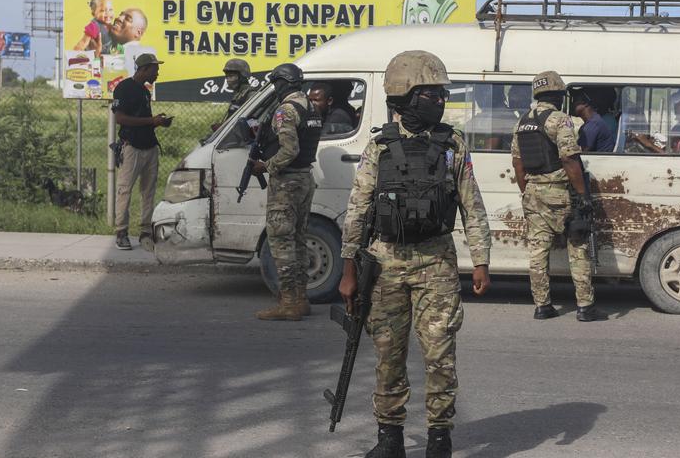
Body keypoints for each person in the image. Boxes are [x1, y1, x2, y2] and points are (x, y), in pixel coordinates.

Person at [338, 50, 491, 458]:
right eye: (430, 93)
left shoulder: (452, 144)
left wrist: (481, 261)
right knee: (389, 356)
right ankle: (390, 440)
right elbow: (357, 209)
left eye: (441, 93)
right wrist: (348, 269)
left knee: (440, 355)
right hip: (385, 266)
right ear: (404, 95)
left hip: (436, 264)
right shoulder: (380, 148)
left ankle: (439, 440)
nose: (439, 100)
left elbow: (471, 205)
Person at [511, 71, 605, 322]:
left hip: (532, 193)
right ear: (558, 96)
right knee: (578, 247)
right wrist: (583, 196)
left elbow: (518, 164)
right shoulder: (560, 120)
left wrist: (529, 192)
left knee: (538, 252)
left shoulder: (522, 122)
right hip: (560, 193)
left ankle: (542, 306)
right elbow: (569, 158)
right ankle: (585, 306)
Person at [252, 63, 323, 321]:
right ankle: (301, 299)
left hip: (287, 182)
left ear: (282, 83)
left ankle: (289, 303)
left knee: (281, 241)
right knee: (299, 240)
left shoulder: (286, 110)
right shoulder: (311, 106)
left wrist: (265, 165)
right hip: (305, 177)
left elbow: (289, 150)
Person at [111, 53, 172, 250]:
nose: (158, 73)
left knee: (148, 191)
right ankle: (121, 232)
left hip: (149, 146)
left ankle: (145, 232)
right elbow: (120, 118)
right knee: (124, 190)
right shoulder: (124, 88)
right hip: (132, 147)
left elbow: (143, 121)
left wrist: (158, 122)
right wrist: (151, 121)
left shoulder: (145, 91)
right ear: (144, 69)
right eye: (155, 69)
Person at [570, 87, 616, 152]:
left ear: (585, 103)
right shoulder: (594, 121)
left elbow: (582, 152)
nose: (572, 104)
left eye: (575, 101)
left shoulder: (593, 124)